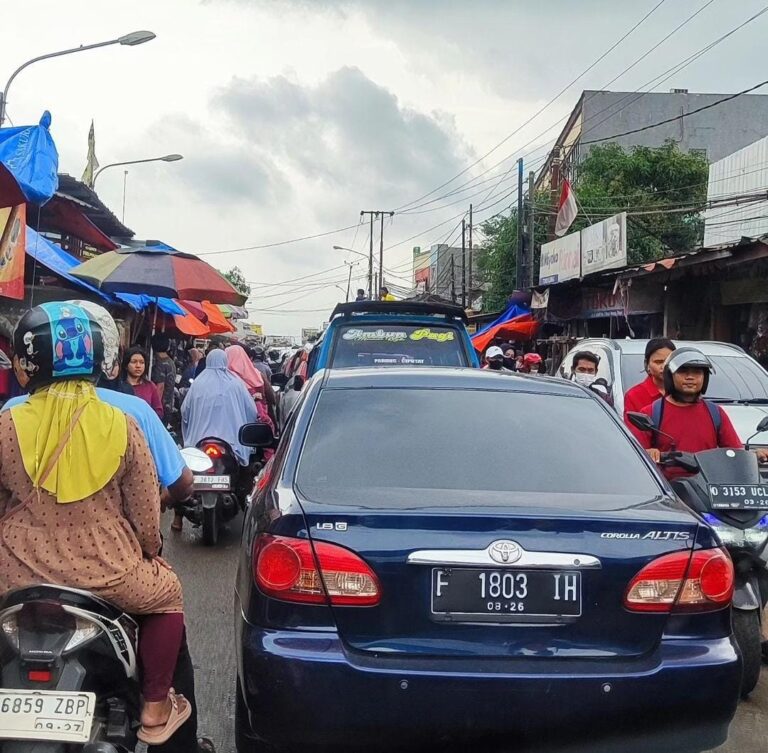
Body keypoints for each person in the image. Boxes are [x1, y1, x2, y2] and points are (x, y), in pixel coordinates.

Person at [0, 302, 190, 745]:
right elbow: (146, 519)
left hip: (13, 573)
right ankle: (156, 706)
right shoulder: (123, 425)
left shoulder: (7, 424)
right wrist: (149, 553)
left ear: (32, 362)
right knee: (169, 593)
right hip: (107, 572)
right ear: (95, 358)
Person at [627, 347, 768, 477]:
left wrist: (753, 455)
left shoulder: (715, 413)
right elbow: (634, 456)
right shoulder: (653, 412)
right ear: (670, 376)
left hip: (707, 489)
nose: (690, 377)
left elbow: (734, 452)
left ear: (705, 378)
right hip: (668, 492)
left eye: (697, 372)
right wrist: (650, 452)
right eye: (683, 371)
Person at [181, 349, 259, 468]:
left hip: (198, 440)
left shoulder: (198, 383)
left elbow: (185, 411)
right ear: (225, 361)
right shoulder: (236, 383)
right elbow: (251, 410)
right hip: (233, 444)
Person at [623, 338, 676, 419]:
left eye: (669, 361)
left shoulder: (684, 392)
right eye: (658, 362)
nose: (664, 366)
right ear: (647, 364)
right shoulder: (634, 396)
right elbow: (633, 430)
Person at [123, 346, 164, 419]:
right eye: (134, 362)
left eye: (142, 362)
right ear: (126, 365)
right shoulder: (119, 385)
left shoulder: (150, 387)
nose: (138, 366)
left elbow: (158, 411)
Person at [151, 333, 177, 420]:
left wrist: (155, 407)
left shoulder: (160, 363)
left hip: (161, 406)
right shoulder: (171, 362)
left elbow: (160, 387)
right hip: (168, 404)